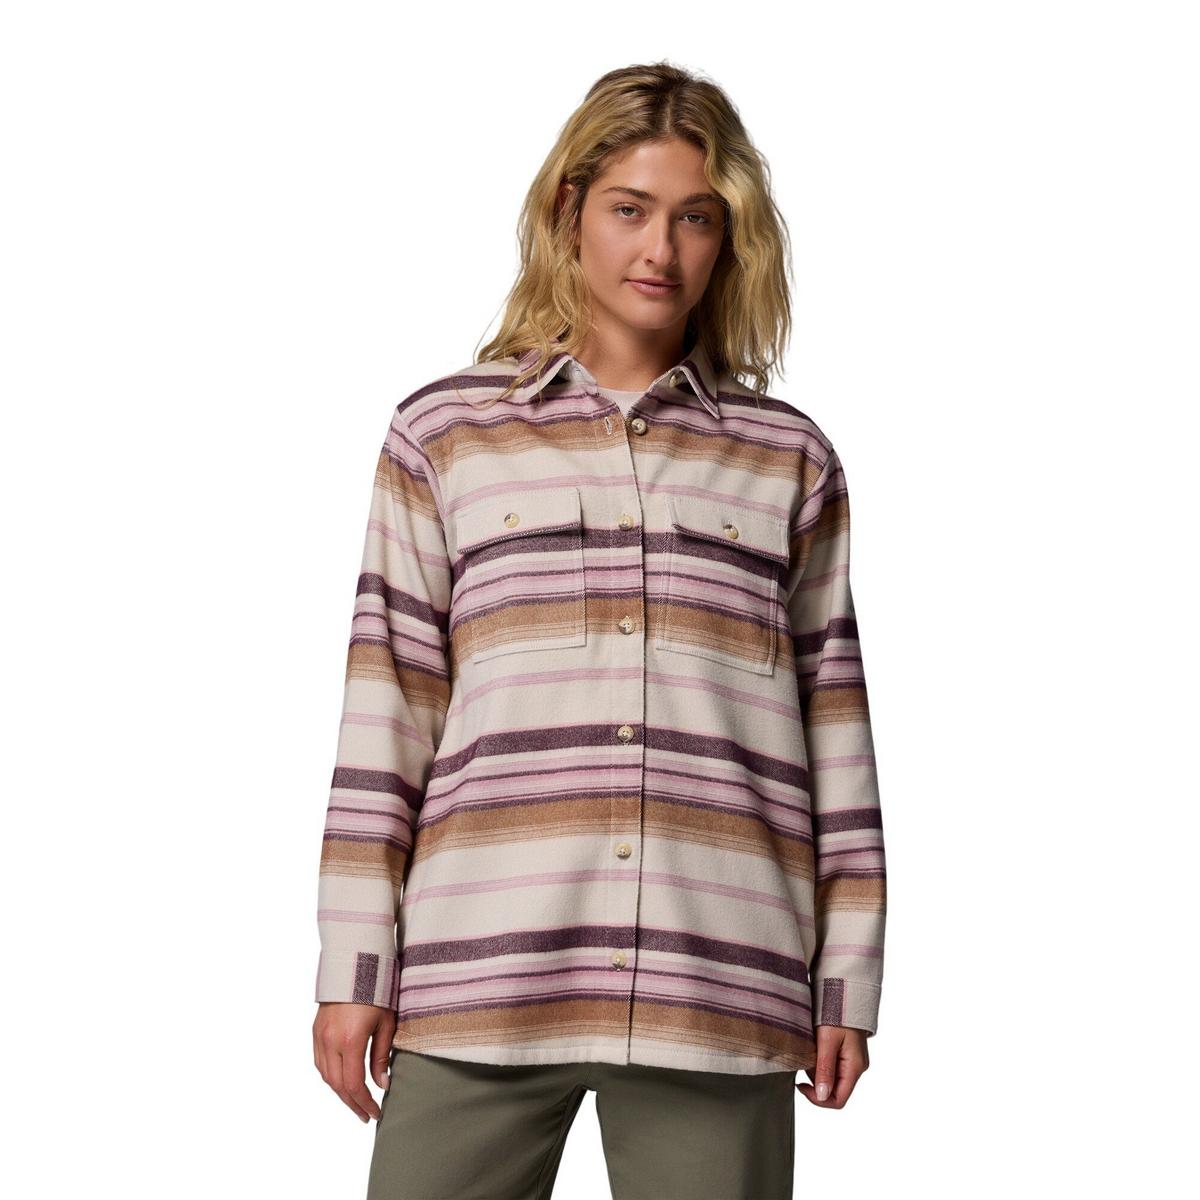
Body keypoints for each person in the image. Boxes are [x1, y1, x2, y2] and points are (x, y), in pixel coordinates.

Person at [312, 61, 888, 1200]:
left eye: (695, 218)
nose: (659, 250)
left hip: (718, 985)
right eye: (630, 209)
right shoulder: (444, 436)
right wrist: (353, 965)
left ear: (729, 240)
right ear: (569, 210)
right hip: (480, 978)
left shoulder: (789, 459)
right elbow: (388, 716)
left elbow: (837, 738)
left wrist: (848, 981)